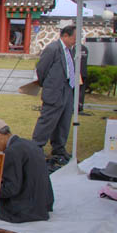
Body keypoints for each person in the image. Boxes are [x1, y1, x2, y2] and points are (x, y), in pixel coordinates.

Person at [0, 118, 54, 222]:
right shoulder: (29, 144)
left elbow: (11, 189)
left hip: (26, 210)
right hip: (43, 204)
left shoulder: (11, 152)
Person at [32, 25, 77, 161]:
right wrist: (47, 84)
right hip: (54, 90)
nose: (75, 41)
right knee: (48, 120)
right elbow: (42, 69)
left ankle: (59, 148)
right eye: (74, 37)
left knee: (64, 120)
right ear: (65, 36)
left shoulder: (71, 51)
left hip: (67, 89)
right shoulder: (53, 49)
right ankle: (37, 147)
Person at [77, 42, 89, 112]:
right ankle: (80, 105)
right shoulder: (85, 48)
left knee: (76, 91)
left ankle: (77, 106)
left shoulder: (75, 49)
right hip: (83, 72)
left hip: (77, 73)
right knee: (81, 91)